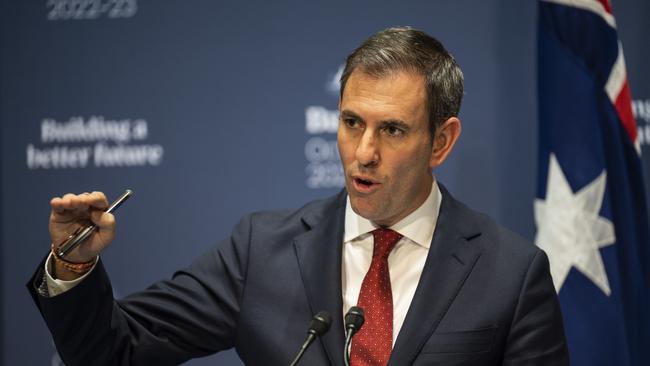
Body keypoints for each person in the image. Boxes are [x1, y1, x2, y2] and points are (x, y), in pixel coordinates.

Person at [29, 27, 569, 365]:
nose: (363, 152)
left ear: (442, 141)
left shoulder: (510, 273)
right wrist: (72, 265)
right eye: (351, 122)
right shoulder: (260, 251)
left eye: (393, 130)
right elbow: (114, 351)